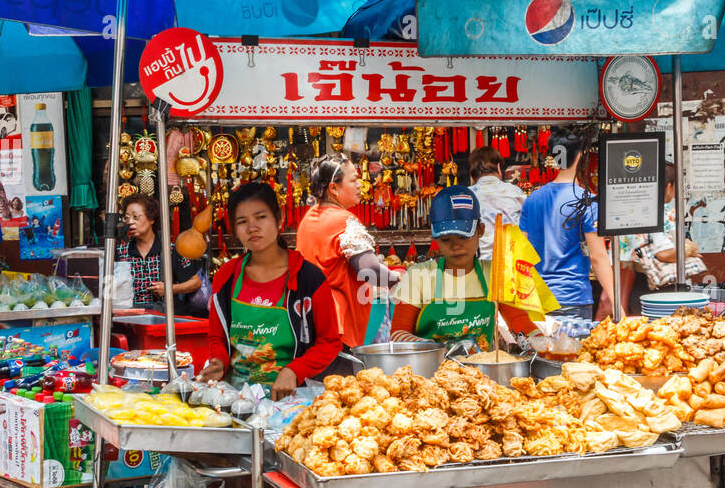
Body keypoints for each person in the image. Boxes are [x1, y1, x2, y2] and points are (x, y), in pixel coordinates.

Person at [199, 182, 341, 399]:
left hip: (291, 399)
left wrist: (294, 371)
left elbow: (329, 342)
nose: (252, 227)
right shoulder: (226, 275)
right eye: (242, 221)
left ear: (279, 218)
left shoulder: (308, 278)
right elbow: (217, 337)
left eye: (260, 217)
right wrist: (218, 362)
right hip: (234, 398)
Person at [390, 187, 536, 347]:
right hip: (430, 369)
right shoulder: (417, 276)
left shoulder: (496, 273)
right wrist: (431, 348)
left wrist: (541, 342)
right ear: (435, 239)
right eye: (446, 240)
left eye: (463, 237)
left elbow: (519, 322)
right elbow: (397, 335)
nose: (456, 246)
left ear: (480, 230)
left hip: (482, 370)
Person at [295, 153, 398, 348]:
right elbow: (370, 270)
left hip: (310, 318)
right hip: (337, 324)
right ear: (334, 188)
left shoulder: (309, 218)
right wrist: (401, 281)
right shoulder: (342, 220)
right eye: (353, 180)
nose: (359, 185)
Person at [518, 124, 615, 320]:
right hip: (572, 298)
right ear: (580, 155)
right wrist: (617, 302)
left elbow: (521, 254)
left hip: (537, 300)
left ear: (554, 158)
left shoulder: (532, 200)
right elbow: (598, 257)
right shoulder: (586, 201)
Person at [618, 168, 705, 314]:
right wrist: (689, 249)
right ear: (669, 186)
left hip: (639, 286)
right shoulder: (661, 212)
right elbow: (663, 254)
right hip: (663, 290)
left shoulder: (633, 211)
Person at [115, 194, 201, 310]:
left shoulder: (169, 250)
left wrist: (169, 289)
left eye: (135, 217)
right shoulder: (121, 251)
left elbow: (195, 282)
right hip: (129, 316)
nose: (130, 222)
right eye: (127, 217)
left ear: (151, 219)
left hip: (161, 318)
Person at [467, 145, 526, 261]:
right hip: (510, 264)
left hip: (478, 264)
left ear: (472, 172)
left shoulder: (468, 196)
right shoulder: (514, 192)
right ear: (498, 167)